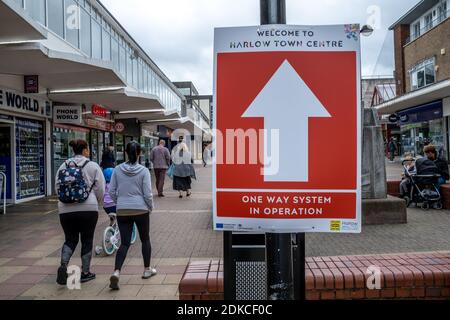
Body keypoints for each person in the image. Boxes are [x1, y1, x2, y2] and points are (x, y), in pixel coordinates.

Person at [55, 140, 105, 285]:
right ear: (84, 150)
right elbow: (101, 188)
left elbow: (57, 187)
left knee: (70, 239)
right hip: (88, 208)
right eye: (87, 149)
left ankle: (64, 265)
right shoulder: (92, 166)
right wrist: (95, 200)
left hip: (65, 209)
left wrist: (66, 199)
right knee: (87, 239)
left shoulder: (63, 165)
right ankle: (85, 272)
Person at [108, 141, 155, 290]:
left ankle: (116, 272)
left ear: (126, 153)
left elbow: (111, 191)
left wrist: (120, 202)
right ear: (140, 153)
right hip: (141, 209)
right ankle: (147, 269)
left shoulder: (117, 169)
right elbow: (147, 194)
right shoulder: (144, 171)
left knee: (124, 243)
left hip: (122, 210)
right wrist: (150, 207)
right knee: (145, 239)